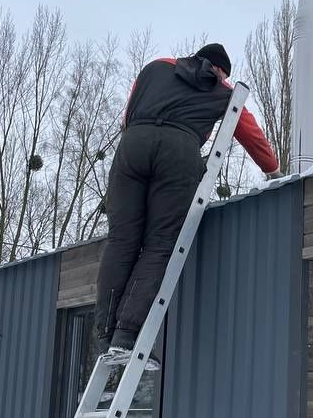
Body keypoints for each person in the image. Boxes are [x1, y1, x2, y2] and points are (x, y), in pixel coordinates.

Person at [95, 43, 278, 366]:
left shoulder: (155, 67)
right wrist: (272, 169)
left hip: (132, 145)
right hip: (178, 151)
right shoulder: (223, 89)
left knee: (122, 240)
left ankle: (104, 334)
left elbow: (128, 113)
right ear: (221, 70)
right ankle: (125, 337)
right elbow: (248, 131)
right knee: (160, 244)